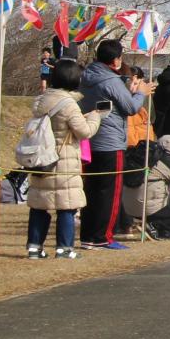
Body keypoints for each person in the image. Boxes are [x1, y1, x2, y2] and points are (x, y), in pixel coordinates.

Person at [25, 58, 108, 260]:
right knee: (67, 205)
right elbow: (84, 131)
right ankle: (65, 248)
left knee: (39, 204)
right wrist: (96, 116)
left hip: (41, 159)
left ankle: (35, 248)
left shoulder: (41, 100)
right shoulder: (69, 104)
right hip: (64, 160)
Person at [79, 39, 148, 251]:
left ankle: (88, 235)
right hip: (110, 142)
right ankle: (103, 236)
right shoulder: (111, 81)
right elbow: (130, 107)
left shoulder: (86, 77)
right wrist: (141, 93)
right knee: (109, 192)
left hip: (90, 140)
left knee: (91, 191)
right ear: (116, 60)